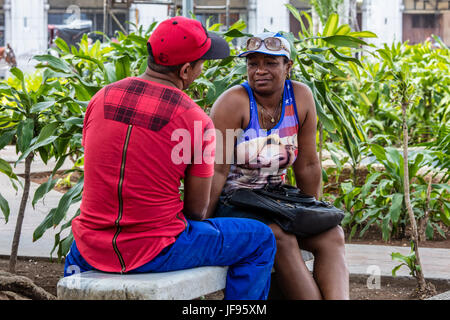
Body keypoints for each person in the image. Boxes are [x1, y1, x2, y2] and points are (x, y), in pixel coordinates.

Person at [64, 17, 276, 300]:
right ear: (186, 70)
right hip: (155, 249)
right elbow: (196, 211)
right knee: (260, 239)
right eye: (201, 63)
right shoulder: (194, 119)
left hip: (87, 249)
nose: (202, 69)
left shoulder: (100, 98)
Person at [206, 32, 349, 300]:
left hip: (275, 199)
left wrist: (311, 212)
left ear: (288, 66)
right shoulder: (233, 102)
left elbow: (307, 163)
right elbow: (217, 170)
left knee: (332, 234)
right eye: (252, 64)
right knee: (278, 236)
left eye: (271, 63)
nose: (260, 71)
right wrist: (203, 223)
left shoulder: (301, 97)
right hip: (236, 202)